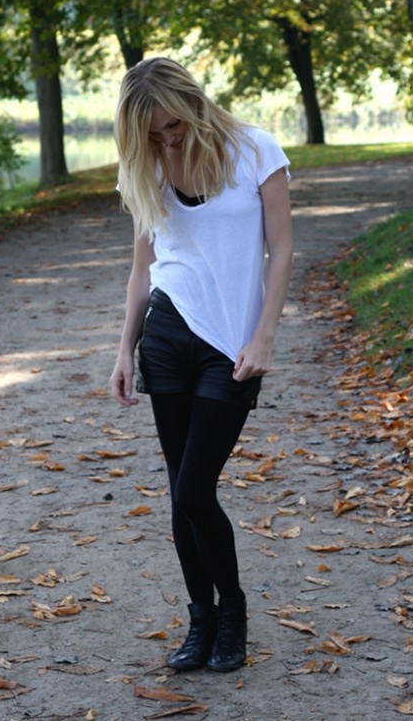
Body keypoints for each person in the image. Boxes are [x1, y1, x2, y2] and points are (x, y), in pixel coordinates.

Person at [109, 57, 293, 673]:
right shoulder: (145, 166)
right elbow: (142, 270)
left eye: (174, 127)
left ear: (194, 103)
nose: (167, 141)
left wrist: (264, 338)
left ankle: (233, 612)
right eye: (153, 134)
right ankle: (201, 619)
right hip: (165, 337)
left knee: (194, 487)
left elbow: (282, 250)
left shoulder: (256, 151)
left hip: (229, 347)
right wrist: (124, 348)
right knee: (179, 492)